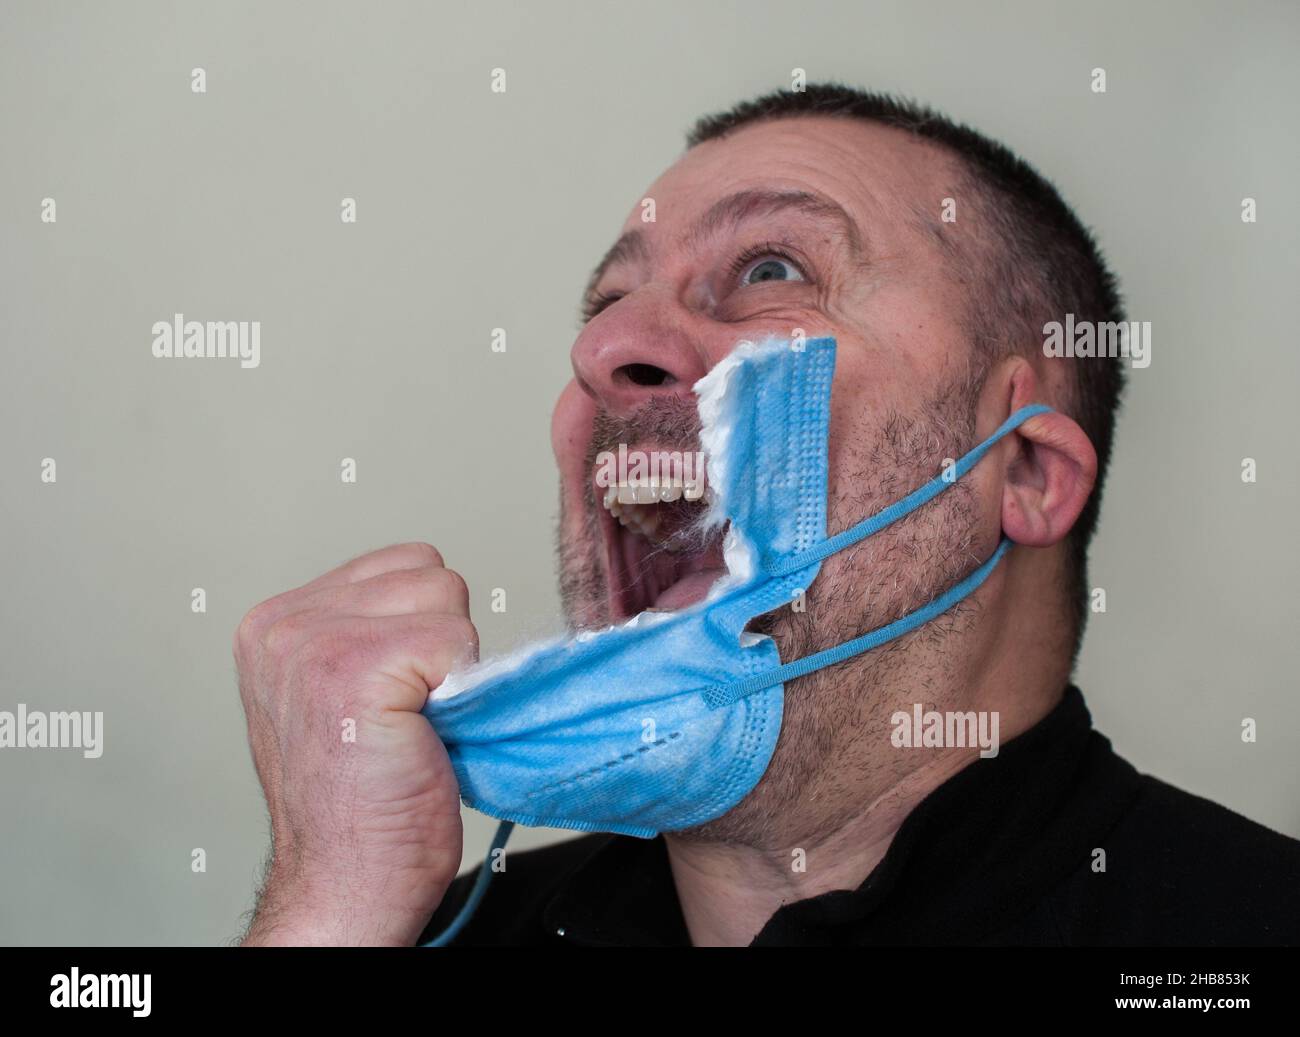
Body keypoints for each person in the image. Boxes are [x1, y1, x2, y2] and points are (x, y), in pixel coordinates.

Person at [235, 84, 1300, 947]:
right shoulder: (436, 930)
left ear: (1020, 469)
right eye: (607, 303)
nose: (605, 350)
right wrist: (323, 916)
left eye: (772, 268)